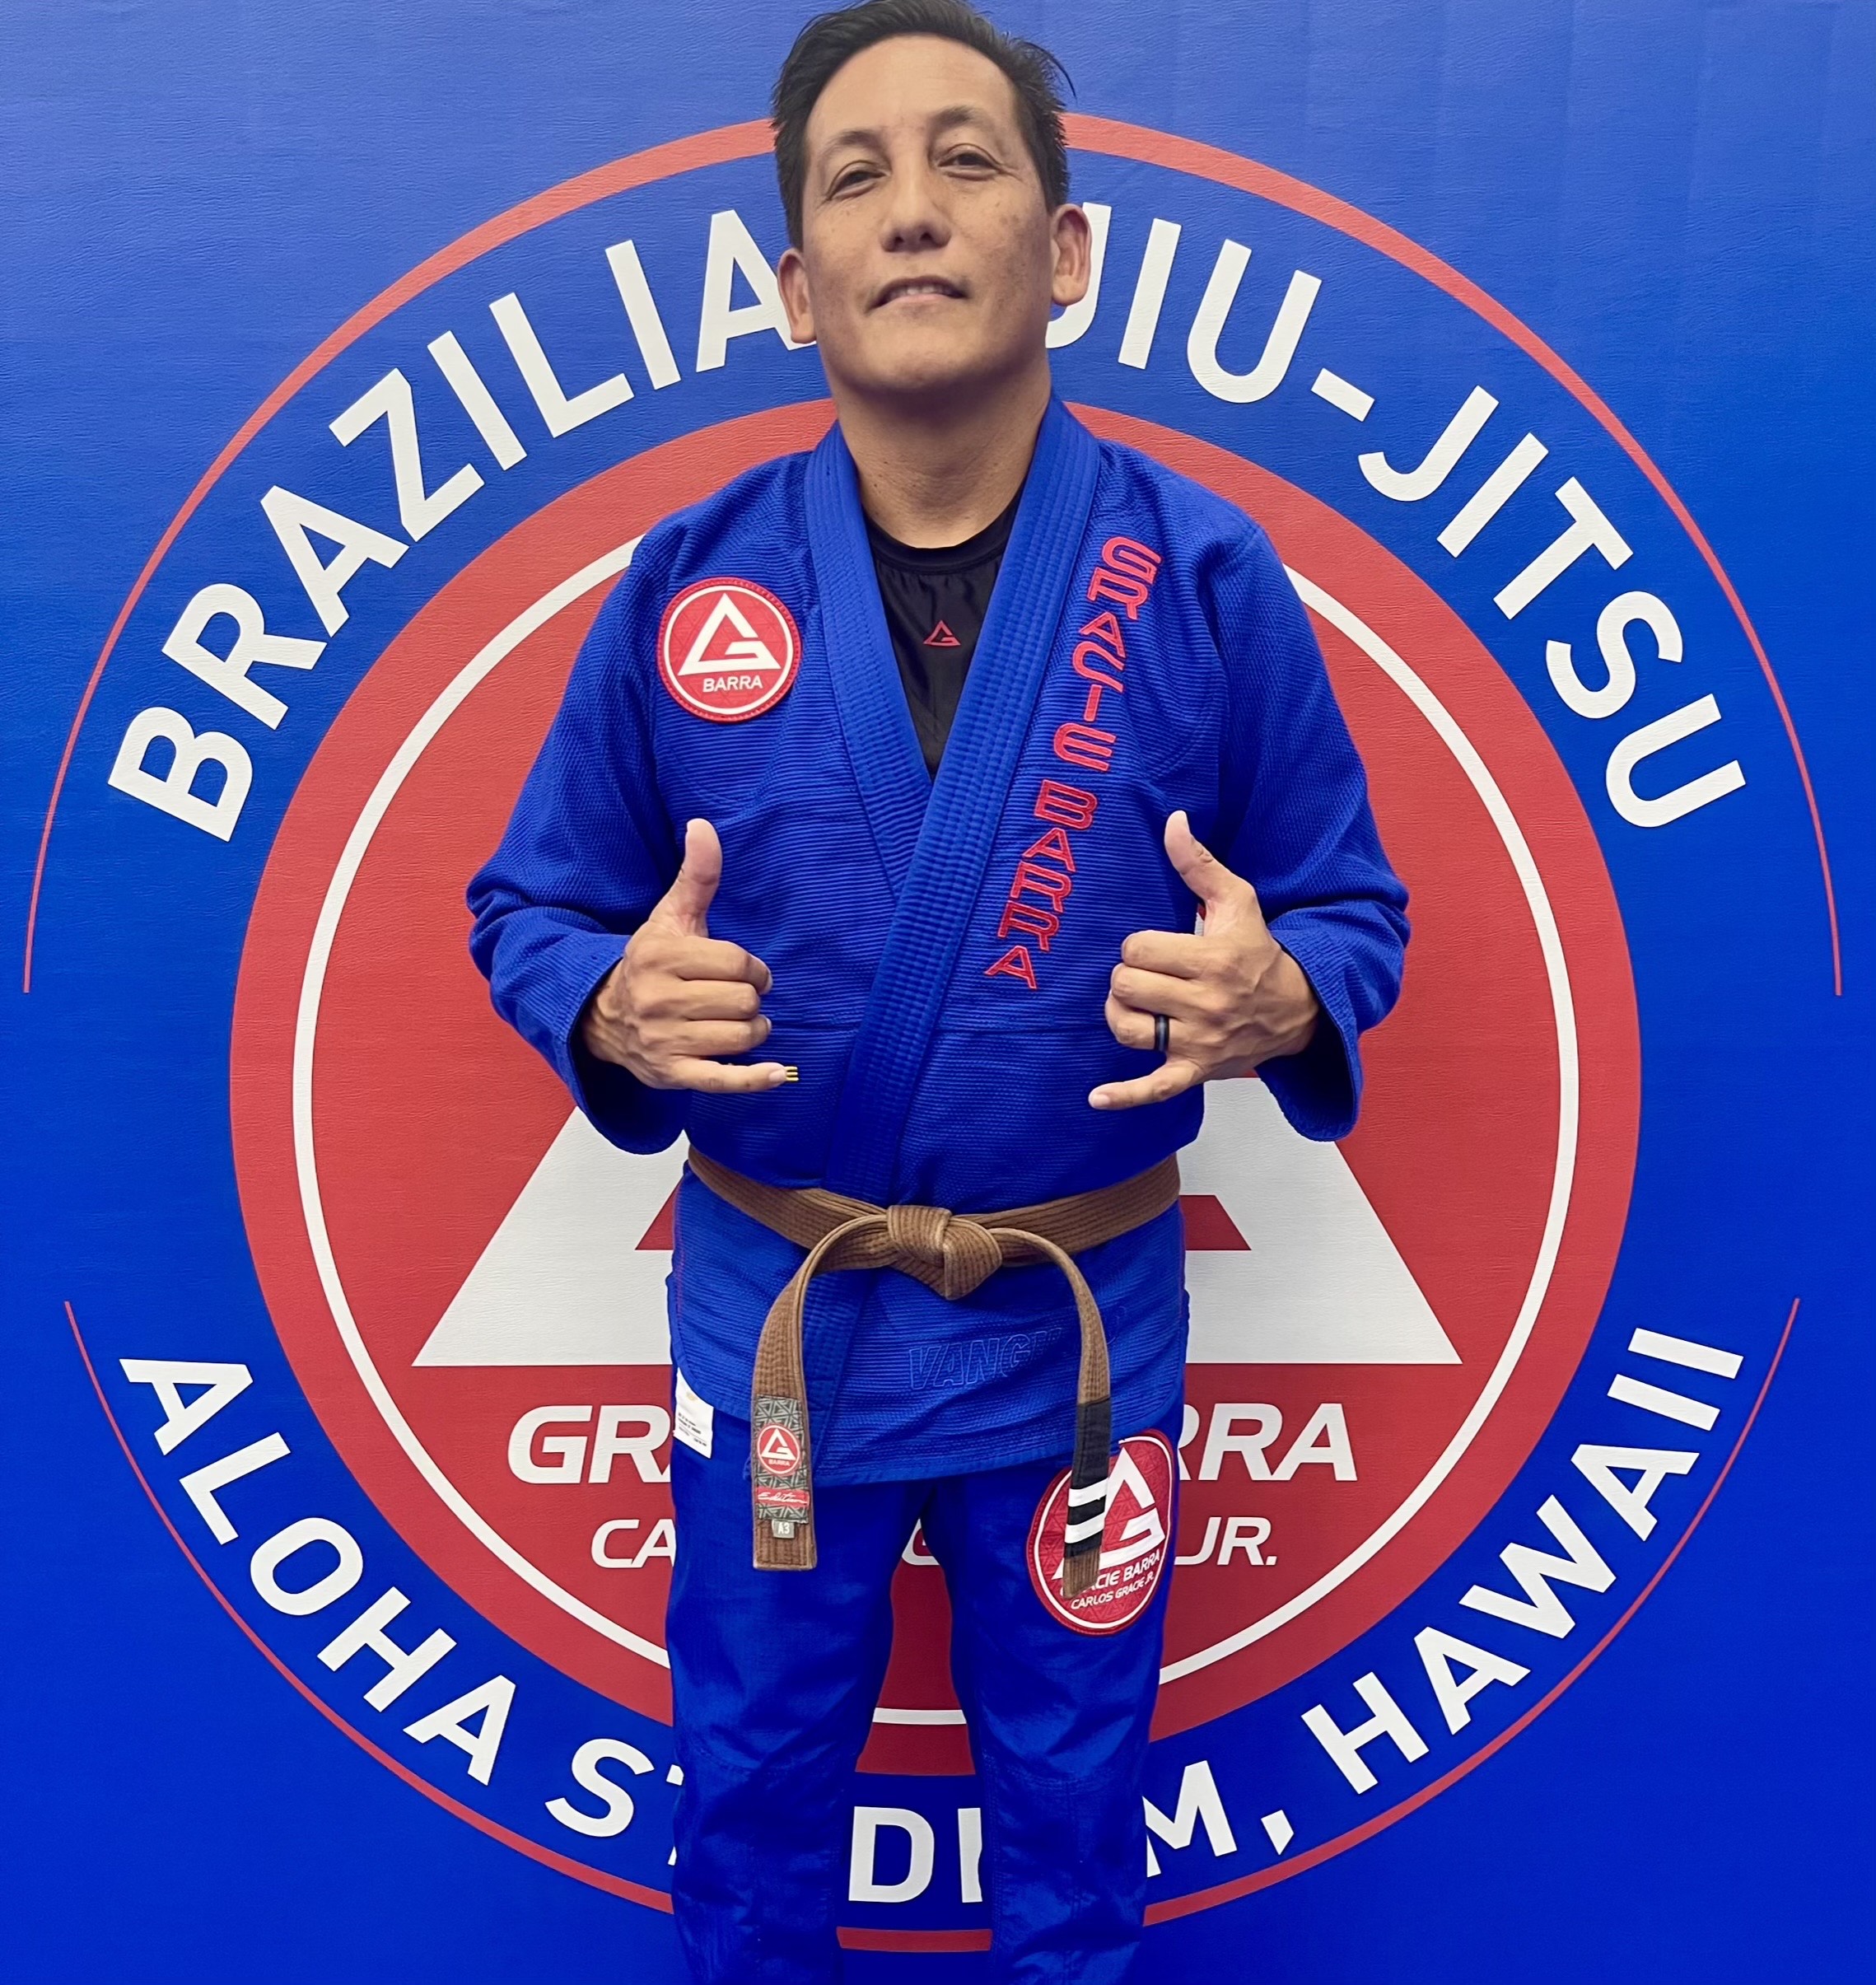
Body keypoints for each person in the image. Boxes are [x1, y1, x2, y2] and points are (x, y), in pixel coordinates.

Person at [468, 2, 1408, 1976]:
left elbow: (1346, 905)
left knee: (1073, 1833)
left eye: (965, 162)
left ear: (1063, 253)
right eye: (856, 177)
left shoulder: (1200, 576)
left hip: (1074, 1330)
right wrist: (603, 1003)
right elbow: (530, 903)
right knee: (745, 1817)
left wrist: (1283, 995)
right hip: (779, 1322)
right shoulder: (686, 578)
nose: (911, 212)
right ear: (794, 283)